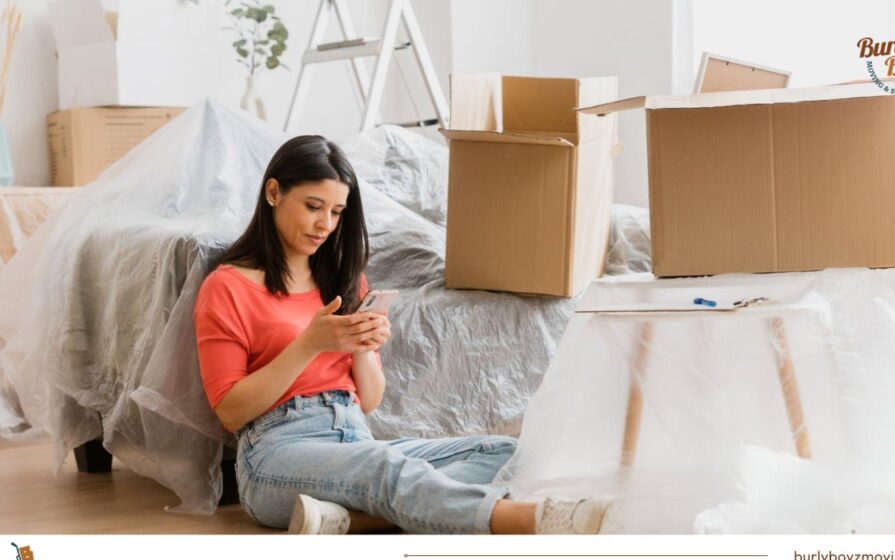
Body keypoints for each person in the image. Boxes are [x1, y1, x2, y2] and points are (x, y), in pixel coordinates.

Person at [193, 135, 611, 534]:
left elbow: (369, 401)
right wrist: (309, 344)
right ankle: (528, 522)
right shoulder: (227, 286)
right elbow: (231, 412)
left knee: (503, 452)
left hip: (354, 433)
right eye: (313, 206)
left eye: (337, 212)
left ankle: (357, 520)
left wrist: (362, 347)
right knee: (381, 468)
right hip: (276, 454)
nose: (325, 224)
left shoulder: (342, 279)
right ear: (273, 193)